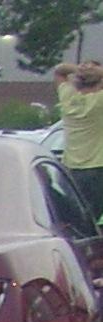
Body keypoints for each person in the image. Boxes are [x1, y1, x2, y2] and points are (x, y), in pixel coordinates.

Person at [57, 61, 103, 219]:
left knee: (72, 218)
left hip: (69, 170)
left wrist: (79, 70)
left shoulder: (67, 99)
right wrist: (94, 71)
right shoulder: (98, 103)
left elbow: (59, 71)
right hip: (96, 169)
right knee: (91, 219)